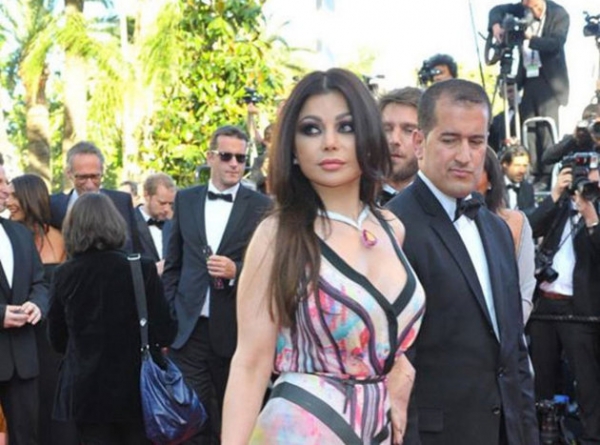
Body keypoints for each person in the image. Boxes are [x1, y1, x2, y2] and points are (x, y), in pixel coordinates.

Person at [221, 68, 425, 444]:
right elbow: (250, 364)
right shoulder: (277, 235)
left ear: (368, 136)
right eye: (311, 129)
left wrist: (400, 369)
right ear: (292, 147)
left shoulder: (392, 228)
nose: (330, 142)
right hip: (296, 430)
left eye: (346, 127)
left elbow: (381, 331)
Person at [386, 79, 538, 444]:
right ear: (420, 143)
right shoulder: (394, 228)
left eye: (476, 141)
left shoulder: (497, 229)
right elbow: (392, 364)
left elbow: (514, 353)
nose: (465, 156)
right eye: (450, 140)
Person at [163, 125, 272, 444]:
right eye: (226, 156)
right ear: (210, 157)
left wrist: (237, 270)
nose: (235, 164)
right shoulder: (186, 199)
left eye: (241, 158)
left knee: (234, 420)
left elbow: (270, 267)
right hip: (189, 329)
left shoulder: (261, 205)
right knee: (190, 419)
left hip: (237, 331)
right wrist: (172, 316)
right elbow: (173, 265)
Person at [47, 193, 177, 444]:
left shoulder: (64, 274)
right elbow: (165, 331)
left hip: (87, 392)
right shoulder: (141, 267)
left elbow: (57, 339)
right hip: (138, 388)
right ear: (115, 224)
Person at [527, 159, 600, 444]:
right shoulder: (558, 209)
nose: (583, 187)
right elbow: (529, 228)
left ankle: (592, 436)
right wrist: (555, 194)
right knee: (542, 375)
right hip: (544, 305)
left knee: (586, 377)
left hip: (579, 309)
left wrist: (591, 216)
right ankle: (543, 432)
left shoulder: (595, 211)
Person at [4, 174, 76, 444]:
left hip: (49, 339)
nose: (7, 198)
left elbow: (57, 285)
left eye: (13, 194)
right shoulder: (11, 234)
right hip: (16, 338)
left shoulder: (58, 237)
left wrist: (39, 304)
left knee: (48, 408)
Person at [488, 0, 570, 189]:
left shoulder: (559, 13)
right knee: (528, 127)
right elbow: (496, 10)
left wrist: (529, 38)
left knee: (545, 129)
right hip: (527, 79)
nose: (529, 7)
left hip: (549, 81)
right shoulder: (521, 9)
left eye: (532, 4)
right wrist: (496, 26)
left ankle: (547, 175)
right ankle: (531, 173)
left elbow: (555, 43)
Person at [0, 161, 48, 445]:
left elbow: (40, 283)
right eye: (0, 183)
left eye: (5, 182)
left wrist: (37, 304)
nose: (6, 190)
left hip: (23, 361)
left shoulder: (19, 233)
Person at [477, 147, 536, 323]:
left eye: (476, 170)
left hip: (507, 329)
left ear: (490, 179)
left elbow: (525, 287)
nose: (466, 176)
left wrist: (510, 330)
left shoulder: (514, 222)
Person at [49, 141, 140, 252]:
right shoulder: (54, 206)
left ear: (102, 171)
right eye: (82, 177)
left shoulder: (121, 202)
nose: (89, 184)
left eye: (94, 177)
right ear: (69, 173)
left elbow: (136, 249)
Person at [377, 87, 422, 205]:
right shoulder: (353, 197)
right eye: (387, 129)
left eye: (408, 130)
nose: (394, 140)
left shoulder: (448, 203)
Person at [135, 172, 176, 275]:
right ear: (147, 196)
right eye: (162, 203)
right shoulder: (129, 222)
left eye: (170, 204)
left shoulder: (174, 224)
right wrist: (153, 269)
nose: (167, 209)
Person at [500, 145, 537, 215]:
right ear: (505, 165)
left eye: (525, 166)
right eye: (517, 165)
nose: (522, 171)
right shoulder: (494, 186)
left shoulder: (527, 188)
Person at [488, 80, 521, 153]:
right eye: (504, 93)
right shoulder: (497, 119)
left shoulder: (529, 112)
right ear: (501, 95)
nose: (508, 96)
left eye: (510, 91)